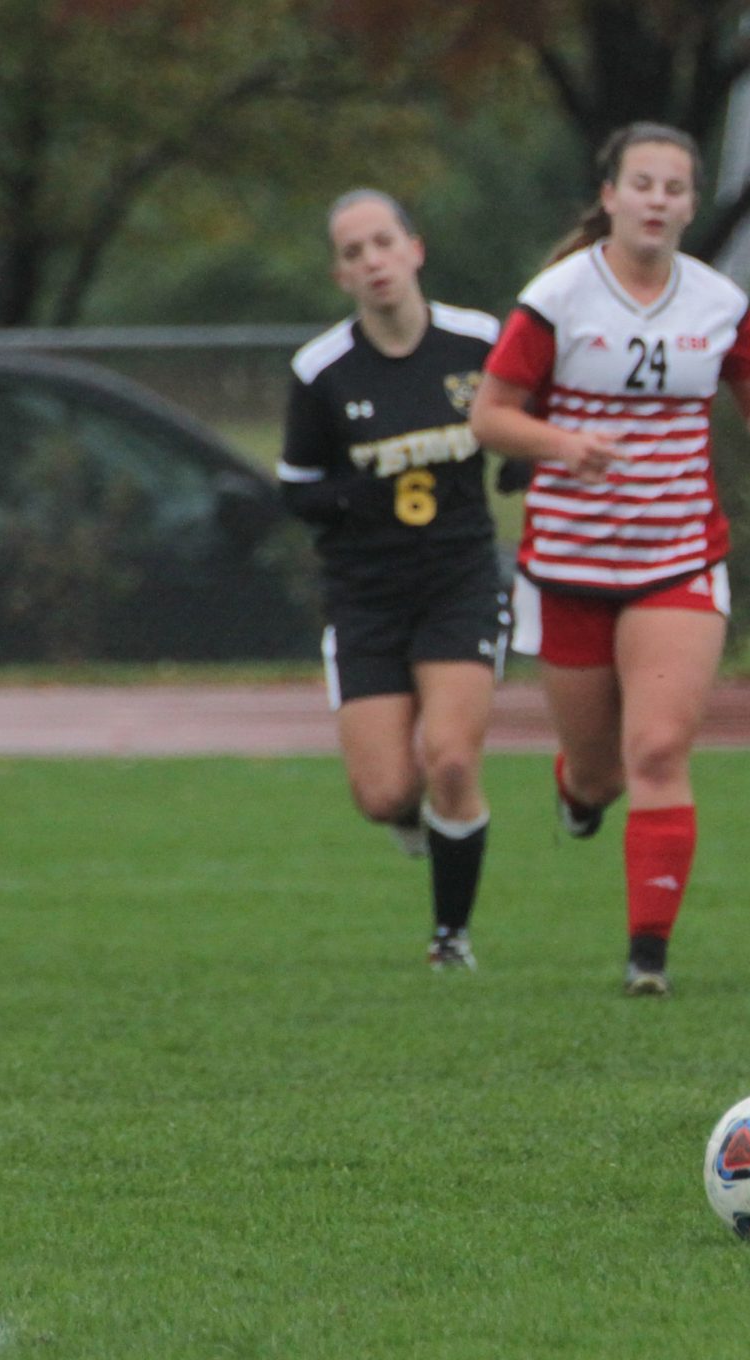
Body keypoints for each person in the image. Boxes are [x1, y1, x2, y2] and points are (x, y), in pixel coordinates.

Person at [468, 123, 750, 998]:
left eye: (674, 187)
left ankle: (647, 957)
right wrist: (561, 443)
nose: (658, 200)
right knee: (600, 772)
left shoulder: (719, 302)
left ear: (693, 204)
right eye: (641, 184)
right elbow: (490, 416)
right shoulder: (558, 297)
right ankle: (578, 795)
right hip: (570, 568)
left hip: (677, 558)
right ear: (610, 196)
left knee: (656, 750)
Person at [278, 189, 514, 970]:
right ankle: (418, 825)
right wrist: (355, 491)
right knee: (383, 796)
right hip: (366, 593)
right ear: (341, 274)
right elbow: (296, 486)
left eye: (383, 242)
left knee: (451, 758)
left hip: (459, 580)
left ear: (415, 248)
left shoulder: (478, 341)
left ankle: (451, 938)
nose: (372, 260)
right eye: (353, 252)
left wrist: (531, 463)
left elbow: (523, 429)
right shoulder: (321, 370)